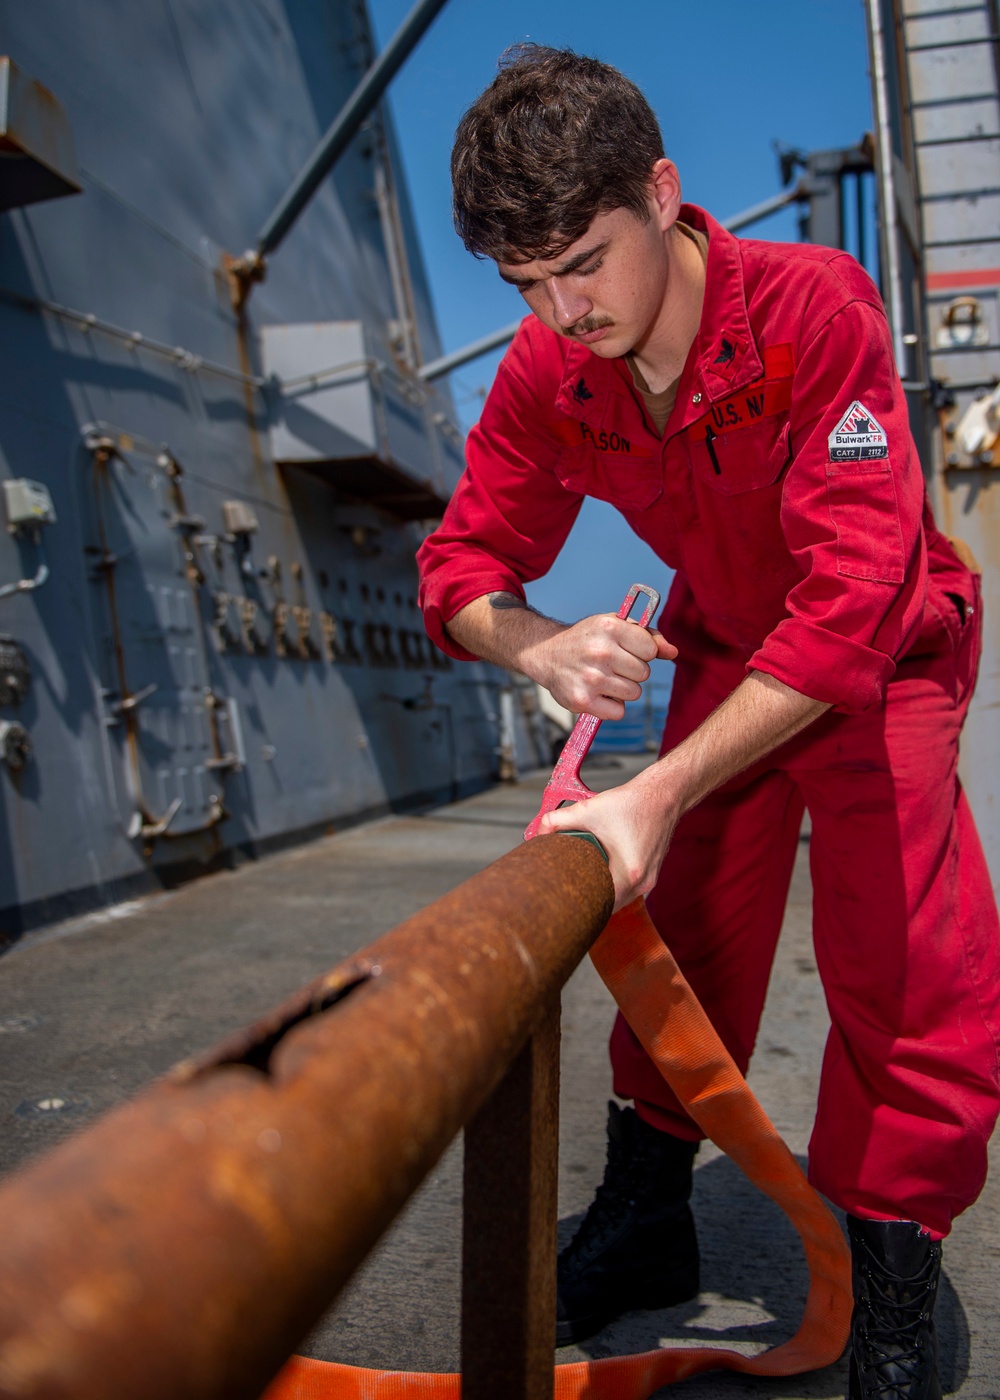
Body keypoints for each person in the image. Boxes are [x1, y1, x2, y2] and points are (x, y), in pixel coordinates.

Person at [417, 45, 1000, 1400]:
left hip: (884, 644)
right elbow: (460, 570)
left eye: (584, 261)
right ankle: (647, 1215)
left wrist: (659, 785)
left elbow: (856, 591)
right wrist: (540, 640)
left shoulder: (814, 309)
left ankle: (897, 1280)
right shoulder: (548, 367)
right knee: (686, 939)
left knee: (909, 964)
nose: (564, 311)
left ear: (663, 195)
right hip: (730, 638)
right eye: (527, 284)